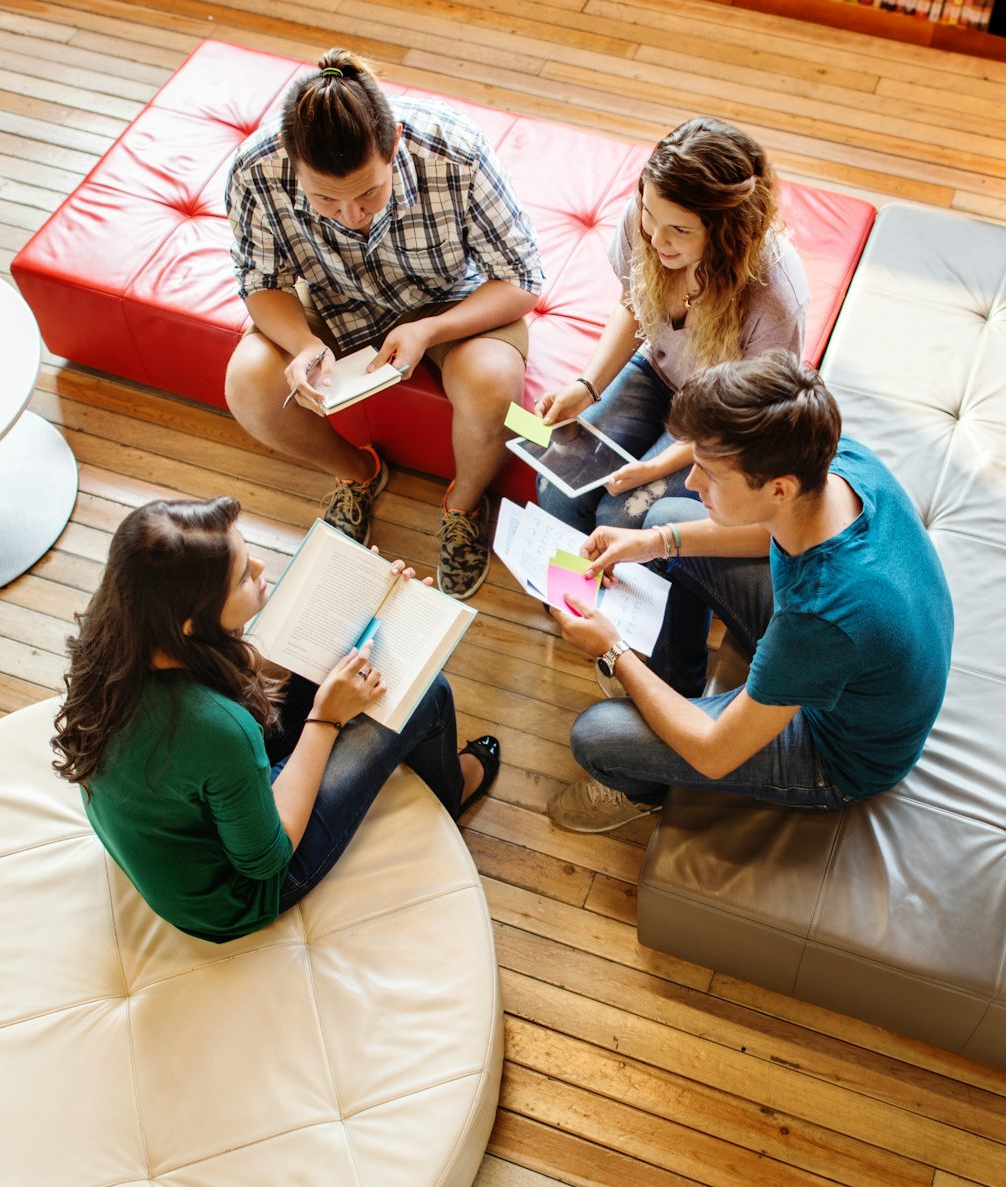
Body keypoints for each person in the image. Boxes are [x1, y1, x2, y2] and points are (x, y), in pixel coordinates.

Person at [51, 497, 500, 943]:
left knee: (346, 662)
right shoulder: (216, 727)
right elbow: (267, 859)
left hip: (185, 816)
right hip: (235, 894)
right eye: (243, 576)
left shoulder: (117, 628)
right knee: (427, 693)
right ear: (190, 622)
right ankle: (450, 791)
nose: (261, 567)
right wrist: (325, 718)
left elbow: (241, 673)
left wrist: (361, 605)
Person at [546, 351, 951, 832]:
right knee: (666, 519)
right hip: (850, 659)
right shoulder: (834, 457)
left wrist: (613, 650)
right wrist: (652, 543)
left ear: (778, 489)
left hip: (839, 752)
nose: (691, 481)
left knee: (595, 736)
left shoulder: (818, 617)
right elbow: (771, 531)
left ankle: (644, 789)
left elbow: (713, 753)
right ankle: (676, 685)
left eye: (710, 474)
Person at [224, 49, 547, 599]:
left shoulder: (456, 151)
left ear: (394, 143)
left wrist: (430, 331)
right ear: (292, 161)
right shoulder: (254, 171)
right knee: (248, 382)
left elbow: (522, 279)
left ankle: (465, 505)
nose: (352, 215)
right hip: (330, 299)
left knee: (493, 385)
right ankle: (357, 473)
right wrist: (302, 345)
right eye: (326, 199)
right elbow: (261, 283)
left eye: (368, 193)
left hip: (449, 301)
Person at [532, 117, 808, 534]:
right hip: (656, 371)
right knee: (557, 486)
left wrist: (656, 467)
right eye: (649, 214)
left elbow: (746, 415)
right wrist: (587, 387)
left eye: (679, 230)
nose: (656, 239)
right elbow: (632, 303)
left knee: (623, 515)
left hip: (724, 414)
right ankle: (566, 577)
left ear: (727, 234)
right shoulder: (646, 218)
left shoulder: (776, 298)